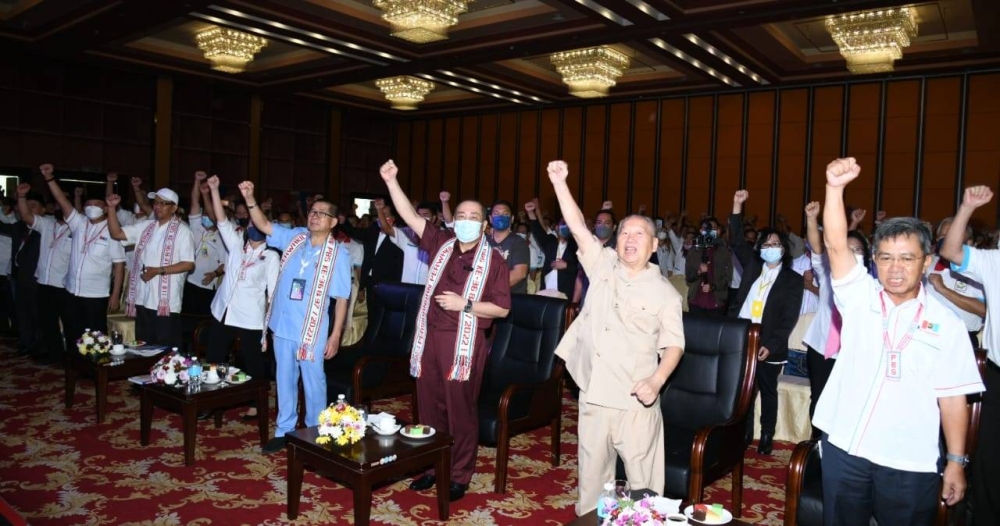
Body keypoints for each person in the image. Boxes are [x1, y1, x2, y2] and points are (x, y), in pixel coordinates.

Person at [816, 158, 983, 526]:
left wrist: (956, 461)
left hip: (909, 462)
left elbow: (953, 398)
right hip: (846, 448)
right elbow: (835, 244)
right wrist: (834, 189)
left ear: (926, 264)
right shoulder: (859, 297)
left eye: (907, 259)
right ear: (874, 261)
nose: (895, 268)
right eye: (886, 258)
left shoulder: (947, 324)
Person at [545, 160, 684, 516]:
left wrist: (656, 381)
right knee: (592, 481)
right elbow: (577, 227)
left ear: (654, 245)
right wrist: (560, 183)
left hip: (635, 400)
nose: (630, 239)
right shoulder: (602, 264)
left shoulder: (666, 293)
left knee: (644, 487)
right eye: (624, 233)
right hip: (594, 394)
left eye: (639, 234)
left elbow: (674, 345)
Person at [378, 159, 510, 502]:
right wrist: (392, 182)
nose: (466, 221)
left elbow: (502, 308)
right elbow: (410, 217)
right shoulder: (442, 244)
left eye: (473, 218)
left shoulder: (493, 260)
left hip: (463, 345)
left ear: (483, 226)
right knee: (429, 408)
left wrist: (466, 304)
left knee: (460, 410)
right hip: (429, 340)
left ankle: (459, 474)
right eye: (461, 216)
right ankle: (430, 466)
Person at [238, 181, 351, 454]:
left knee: (314, 383)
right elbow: (264, 226)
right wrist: (250, 198)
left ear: (333, 221)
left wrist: (335, 335)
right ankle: (284, 430)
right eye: (312, 211)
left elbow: (342, 299)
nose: (314, 216)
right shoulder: (296, 237)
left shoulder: (339, 254)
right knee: (284, 379)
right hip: (283, 324)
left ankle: (314, 433)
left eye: (321, 213)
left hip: (311, 329)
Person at [728, 190, 803, 455]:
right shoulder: (752, 267)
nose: (771, 249)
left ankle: (767, 434)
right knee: (741, 391)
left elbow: (788, 319)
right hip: (742, 336)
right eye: (766, 245)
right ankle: (743, 433)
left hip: (768, 342)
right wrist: (737, 206)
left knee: (767, 390)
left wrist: (770, 345)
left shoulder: (792, 280)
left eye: (775, 245)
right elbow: (736, 240)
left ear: (784, 249)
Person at [939, 185, 997, 526]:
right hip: (996, 373)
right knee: (989, 464)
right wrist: (966, 207)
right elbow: (951, 249)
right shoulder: (994, 262)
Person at [205, 176, 279, 419]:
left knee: (252, 362)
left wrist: (268, 326)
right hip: (223, 311)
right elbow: (221, 219)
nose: (253, 230)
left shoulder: (271, 257)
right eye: (250, 226)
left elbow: (273, 291)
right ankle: (212, 399)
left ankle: (256, 403)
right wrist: (215, 190)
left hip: (250, 317)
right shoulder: (236, 244)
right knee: (214, 357)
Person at [800, 202, 872, 435]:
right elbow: (816, 245)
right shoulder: (826, 272)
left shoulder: (871, 286)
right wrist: (812, 219)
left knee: (847, 401)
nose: (852, 254)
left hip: (853, 352)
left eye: (858, 251)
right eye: (847, 250)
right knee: (819, 398)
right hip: (822, 347)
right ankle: (816, 445)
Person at [43, 164, 125, 348]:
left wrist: (115, 293)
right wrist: (49, 178)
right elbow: (61, 200)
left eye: (96, 205)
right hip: (72, 290)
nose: (91, 208)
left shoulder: (112, 231)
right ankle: (75, 368)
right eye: (88, 205)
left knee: (95, 335)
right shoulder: (78, 223)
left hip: (96, 293)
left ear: (105, 209)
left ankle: (95, 369)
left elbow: (119, 265)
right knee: (73, 331)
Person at [106, 187, 195, 347]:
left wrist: (158, 270)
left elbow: (188, 263)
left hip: (164, 303)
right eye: (156, 203)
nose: (157, 206)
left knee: (165, 348)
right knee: (144, 345)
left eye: (163, 203)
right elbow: (116, 233)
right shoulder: (146, 226)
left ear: (174, 208)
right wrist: (111, 208)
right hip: (142, 297)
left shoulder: (183, 231)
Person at [16, 183, 72, 364]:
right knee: (47, 322)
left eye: (61, 204)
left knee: (69, 324)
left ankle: (72, 358)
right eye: (55, 204)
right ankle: (54, 355)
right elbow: (26, 216)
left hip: (64, 285)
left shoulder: (77, 228)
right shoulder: (47, 224)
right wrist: (21, 197)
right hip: (44, 282)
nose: (58, 207)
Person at [929, 217, 985, 350]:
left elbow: (985, 310)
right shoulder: (928, 263)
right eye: (942, 237)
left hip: (961, 340)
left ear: (969, 242)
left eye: (953, 236)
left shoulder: (979, 271)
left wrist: (943, 289)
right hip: (927, 335)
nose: (948, 241)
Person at [184, 172, 228, 317]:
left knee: (202, 321)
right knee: (186, 319)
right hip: (189, 282)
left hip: (207, 286)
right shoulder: (196, 226)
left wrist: (214, 274)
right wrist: (197, 181)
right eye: (204, 215)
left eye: (209, 216)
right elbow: (194, 202)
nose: (205, 218)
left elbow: (225, 264)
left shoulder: (223, 237)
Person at [525, 198, 578, 299]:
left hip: (566, 293)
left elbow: (582, 269)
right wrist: (531, 212)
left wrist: (567, 266)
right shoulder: (550, 242)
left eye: (568, 226)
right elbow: (538, 231)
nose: (565, 228)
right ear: (557, 228)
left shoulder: (576, 246)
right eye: (563, 225)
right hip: (546, 291)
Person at [685, 217, 733, 316]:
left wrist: (713, 286)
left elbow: (728, 278)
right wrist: (698, 272)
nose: (709, 231)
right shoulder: (693, 251)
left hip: (717, 302)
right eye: (707, 229)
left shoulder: (724, 252)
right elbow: (689, 278)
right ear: (701, 231)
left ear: (718, 231)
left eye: (713, 229)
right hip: (696, 302)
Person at [487, 200, 529, 294]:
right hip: (485, 298)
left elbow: (519, 274)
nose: (500, 217)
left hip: (512, 298)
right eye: (496, 213)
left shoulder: (519, 242)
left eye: (505, 214)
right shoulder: (483, 241)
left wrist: (487, 288)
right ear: (490, 218)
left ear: (512, 219)